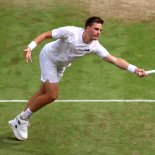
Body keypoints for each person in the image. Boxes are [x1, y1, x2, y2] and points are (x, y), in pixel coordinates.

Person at [8, 16, 147, 140]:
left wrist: (134, 69)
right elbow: (45, 35)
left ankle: (18, 121)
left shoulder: (94, 46)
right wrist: (30, 47)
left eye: (100, 30)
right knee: (52, 95)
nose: (98, 32)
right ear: (87, 28)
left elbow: (115, 60)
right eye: (96, 29)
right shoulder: (70, 32)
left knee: (43, 92)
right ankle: (23, 119)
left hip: (61, 65)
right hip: (49, 58)